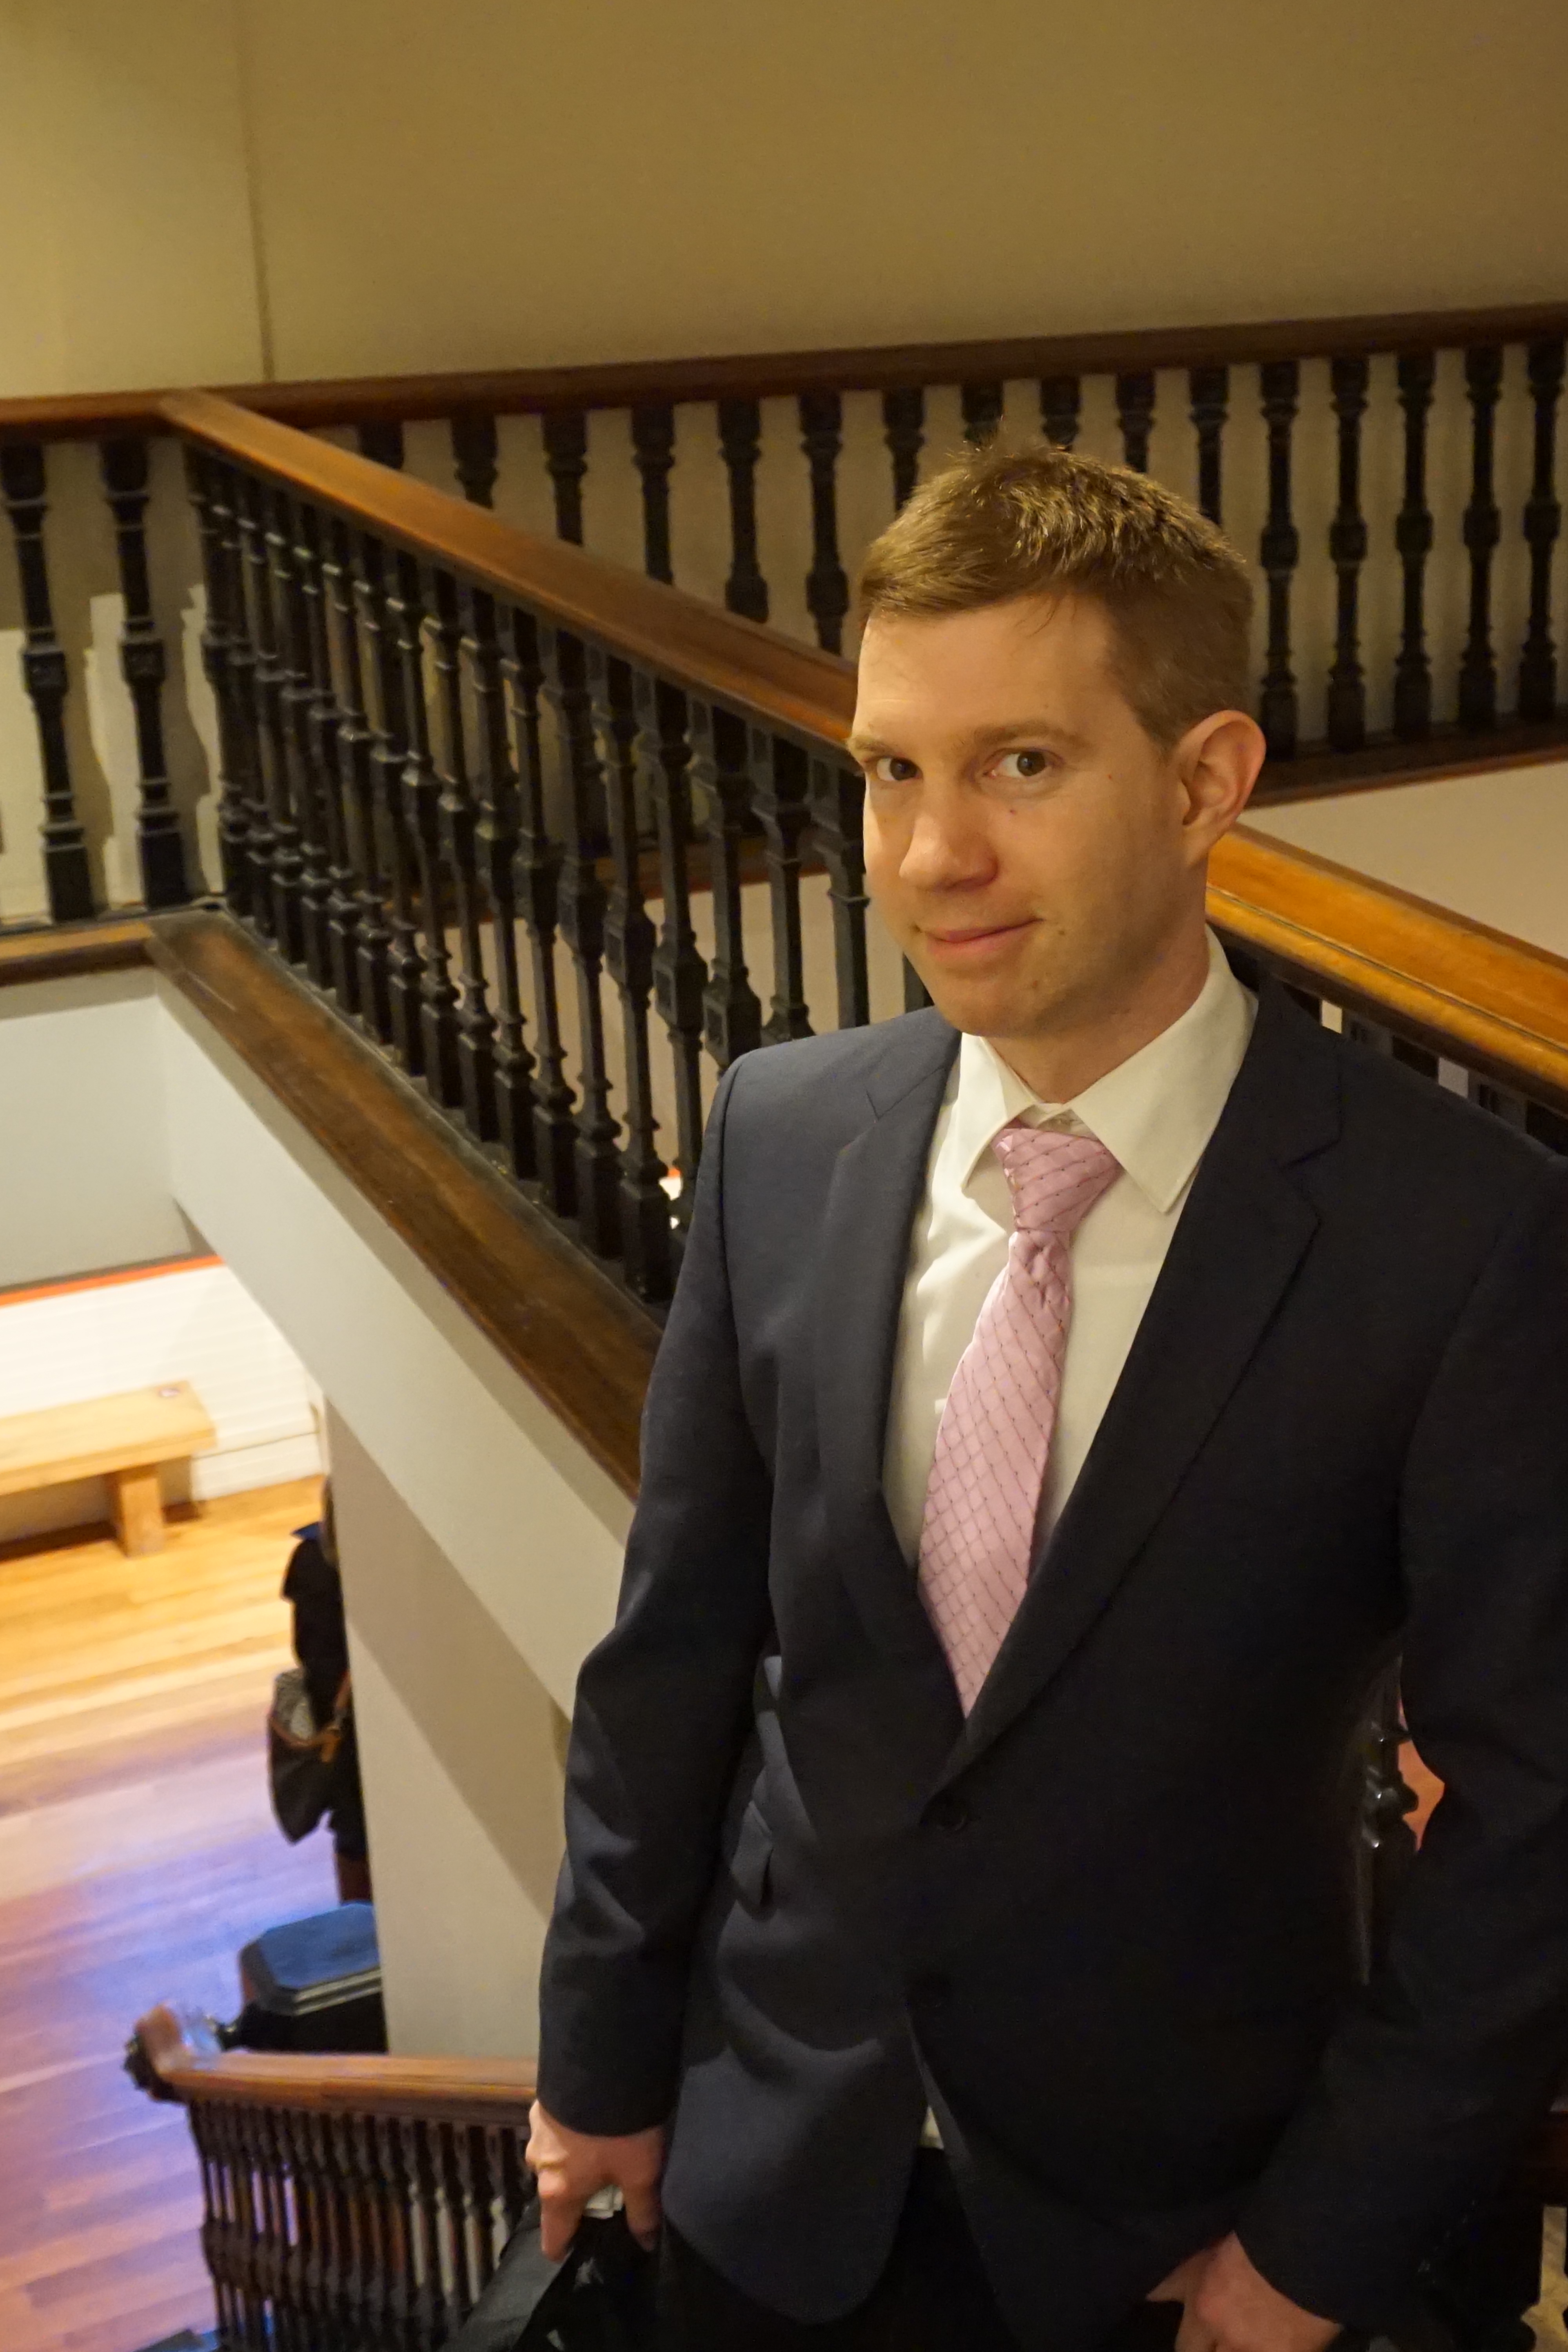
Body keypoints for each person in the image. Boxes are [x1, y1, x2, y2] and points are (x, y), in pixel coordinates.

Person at [527, 445, 1568, 2352]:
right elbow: (671, 1651)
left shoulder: (1456, 1233)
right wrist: (599, 2059)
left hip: (1176, 2245)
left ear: (1204, 780)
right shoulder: (779, 1137)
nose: (931, 856)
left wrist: (1314, 2251)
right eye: (888, 770)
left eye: (1018, 764)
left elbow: (1530, 1809)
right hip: (770, 2200)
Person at [281, 1481, 371, 1903]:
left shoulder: (311, 1559)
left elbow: (306, 1649)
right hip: (359, 1712)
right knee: (356, 1821)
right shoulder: (372, 1570)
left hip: (334, 1708)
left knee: (351, 1820)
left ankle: (356, 1921)